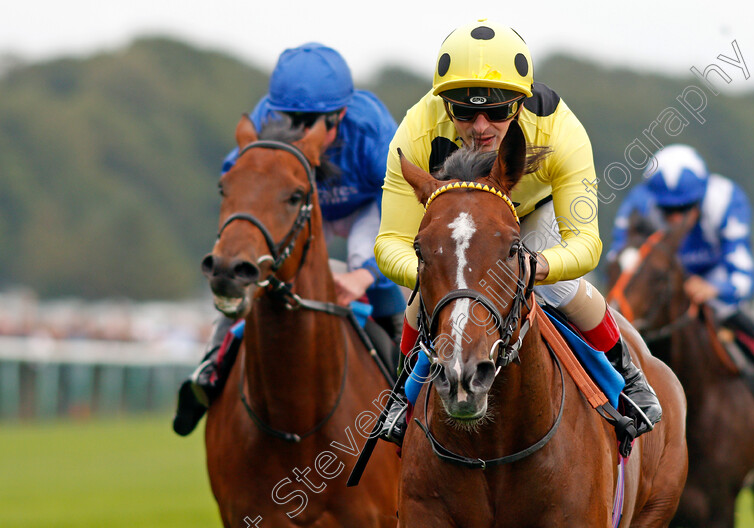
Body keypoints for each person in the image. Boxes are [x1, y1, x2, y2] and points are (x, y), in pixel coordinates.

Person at [373, 19, 661, 446]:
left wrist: (538, 264)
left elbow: (586, 243)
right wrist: (440, 273)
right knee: (427, 295)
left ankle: (629, 376)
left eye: (499, 110)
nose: (481, 127)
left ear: (521, 104)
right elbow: (388, 242)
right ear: (444, 106)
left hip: (530, 216)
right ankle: (403, 393)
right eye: (465, 112)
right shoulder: (416, 129)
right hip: (461, 227)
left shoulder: (562, 131)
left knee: (560, 289)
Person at [173, 42, 406, 436]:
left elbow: (401, 203)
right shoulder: (266, 117)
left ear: (341, 114)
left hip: (367, 208)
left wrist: (366, 275)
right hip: (299, 209)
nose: (300, 132)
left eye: (311, 122)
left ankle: (407, 389)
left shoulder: (371, 127)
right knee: (253, 270)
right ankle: (211, 366)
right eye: (291, 120)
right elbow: (238, 177)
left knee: (372, 275)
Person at [609, 143, 754, 408]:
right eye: (667, 211)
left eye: (685, 208)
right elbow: (620, 260)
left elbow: (744, 275)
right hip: (663, 282)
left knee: (730, 313)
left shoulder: (727, 200)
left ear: (700, 198)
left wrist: (715, 287)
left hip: (713, 274)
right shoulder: (639, 204)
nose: (675, 219)